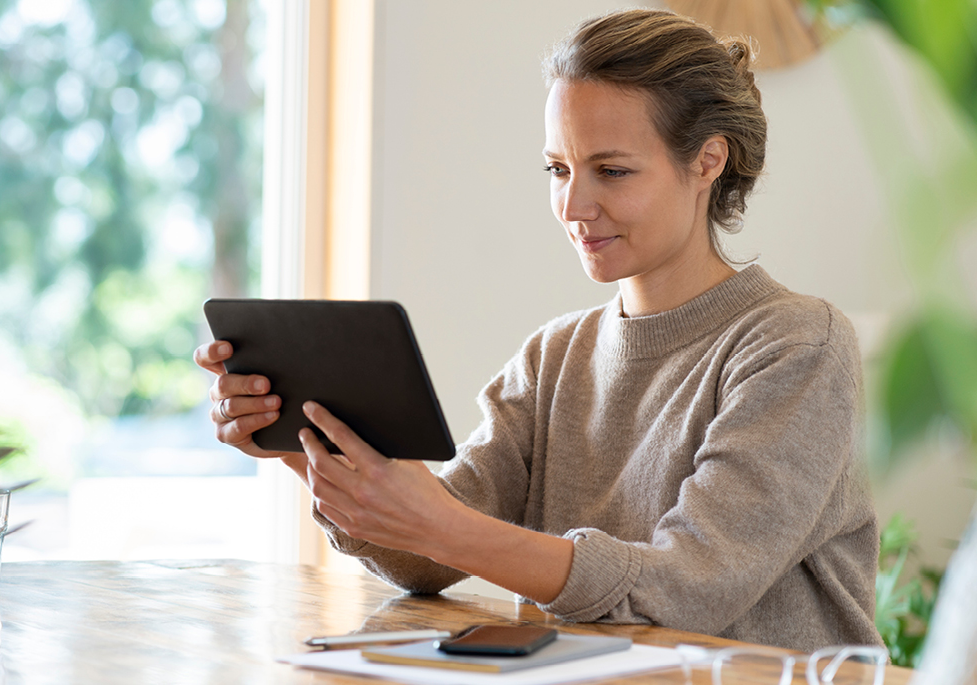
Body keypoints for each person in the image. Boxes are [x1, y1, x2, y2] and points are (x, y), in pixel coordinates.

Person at [194, 8, 882, 652]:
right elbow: (426, 555)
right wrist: (301, 442)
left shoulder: (797, 344)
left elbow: (684, 588)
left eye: (611, 170)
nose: (574, 205)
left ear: (707, 161)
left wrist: (439, 521)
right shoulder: (554, 356)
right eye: (558, 169)